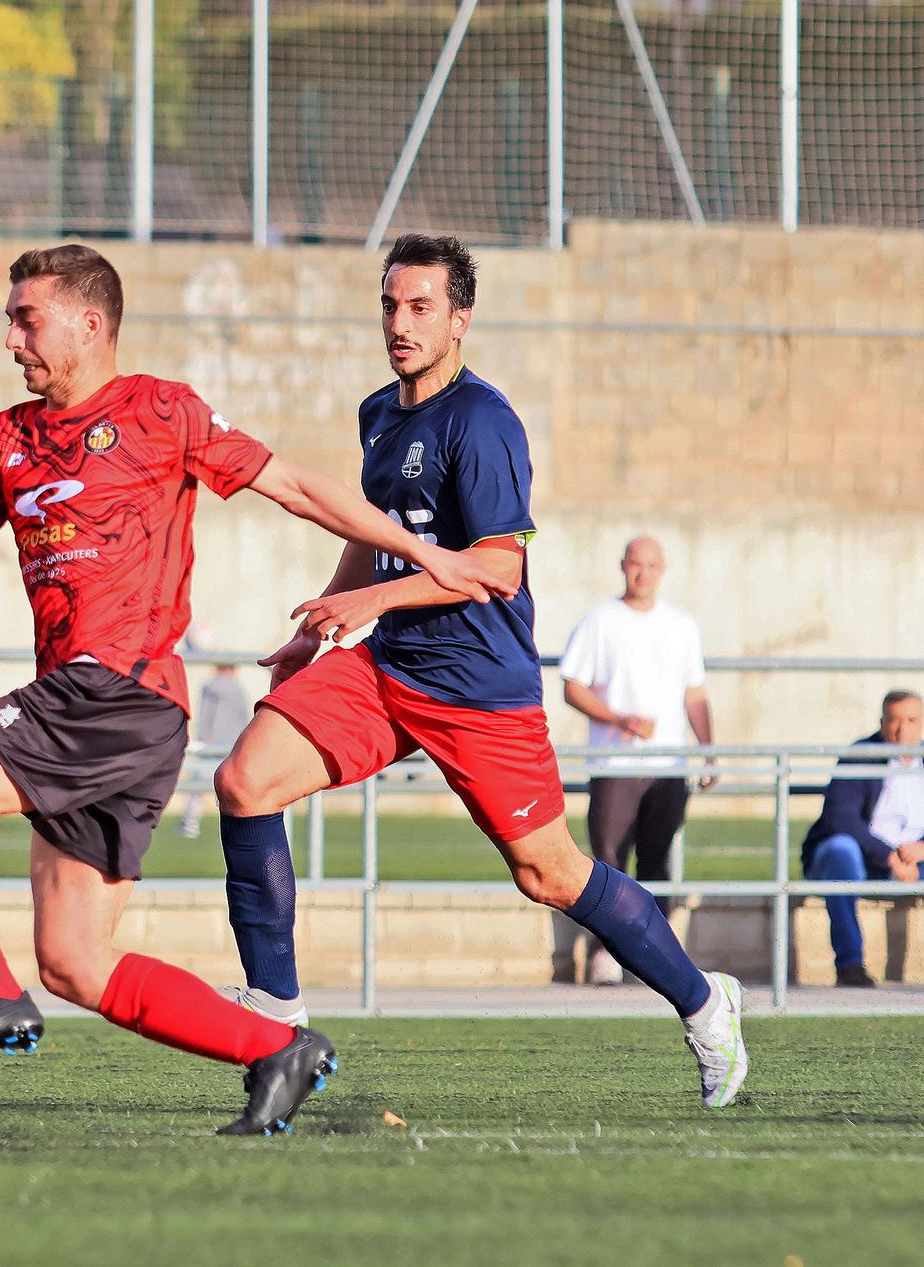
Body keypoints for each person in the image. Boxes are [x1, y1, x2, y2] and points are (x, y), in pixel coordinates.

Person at [0, 242, 510, 1137]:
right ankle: (274, 1049)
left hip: (115, 692)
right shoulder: (6, 437)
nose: (11, 339)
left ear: (88, 322)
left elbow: (295, 486)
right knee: (72, 959)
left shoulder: (159, 410)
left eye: (27, 318)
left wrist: (421, 553)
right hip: (115, 714)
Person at [212, 233, 749, 1110]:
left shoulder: (484, 422)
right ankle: (280, 1018)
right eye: (390, 304)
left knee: (549, 873)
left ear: (460, 319)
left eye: (421, 306)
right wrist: (325, 616)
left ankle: (703, 1001)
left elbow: (498, 566)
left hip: (478, 687)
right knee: (245, 780)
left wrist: (373, 606)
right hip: (384, 670)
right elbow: (372, 526)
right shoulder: (377, 413)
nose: (400, 322)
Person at [558, 535, 717, 984]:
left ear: (661, 570)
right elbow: (572, 686)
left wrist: (707, 752)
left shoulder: (681, 626)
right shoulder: (599, 622)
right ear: (622, 566)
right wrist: (618, 718)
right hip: (614, 764)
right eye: (634, 564)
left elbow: (695, 693)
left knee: (657, 862)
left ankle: (655, 959)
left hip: (668, 764)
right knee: (608, 861)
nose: (641, 573)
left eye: (650, 565)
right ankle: (605, 955)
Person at [801, 690, 924, 988]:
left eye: (911, 720)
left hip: (916, 859)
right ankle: (850, 966)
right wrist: (889, 856)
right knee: (839, 850)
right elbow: (840, 819)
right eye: (894, 720)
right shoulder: (861, 755)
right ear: (882, 722)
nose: (901, 729)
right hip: (865, 858)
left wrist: (920, 851)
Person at [176, 623, 250, 839]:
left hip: (212, 740)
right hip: (231, 741)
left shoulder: (210, 687)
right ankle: (238, 824)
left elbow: (208, 715)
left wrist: (204, 733)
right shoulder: (239, 690)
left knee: (198, 785)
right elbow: (243, 716)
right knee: (233, 786)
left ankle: (190, 823)